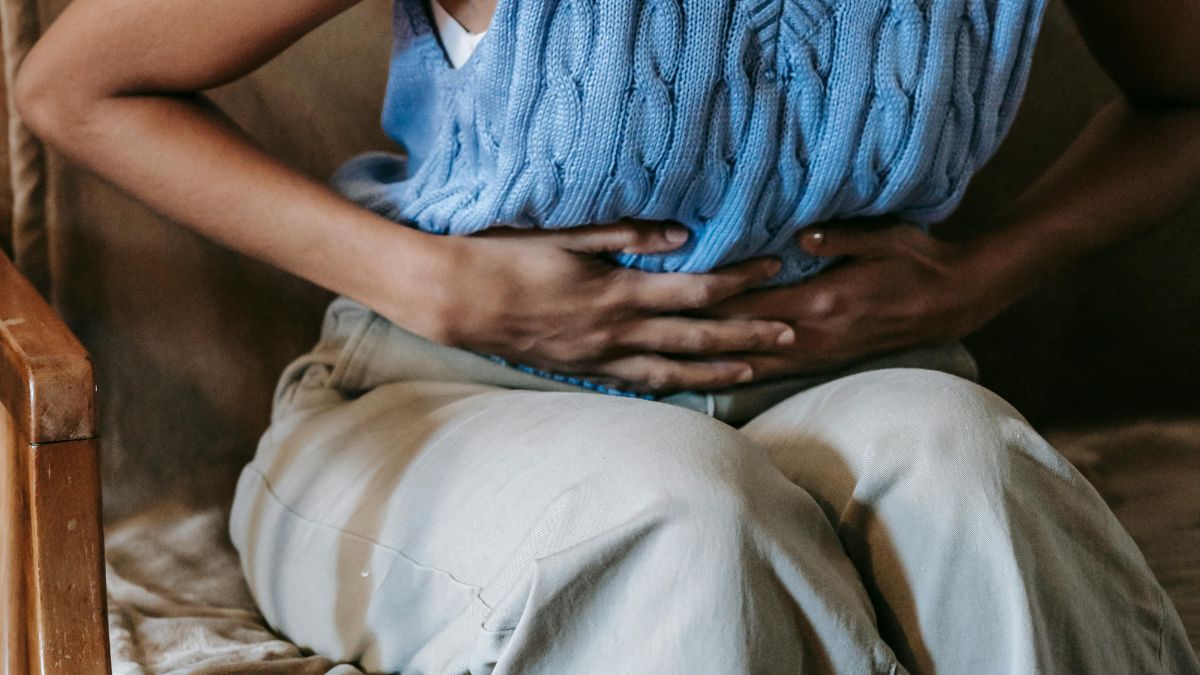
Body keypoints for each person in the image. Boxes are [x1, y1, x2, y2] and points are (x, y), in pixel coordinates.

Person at [13, 0, 1200, 671]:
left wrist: (983, 279)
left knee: (968, 460)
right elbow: (77, 87)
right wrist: (428, 282)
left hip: (857, 388)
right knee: (681, 506)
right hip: (450, 402)